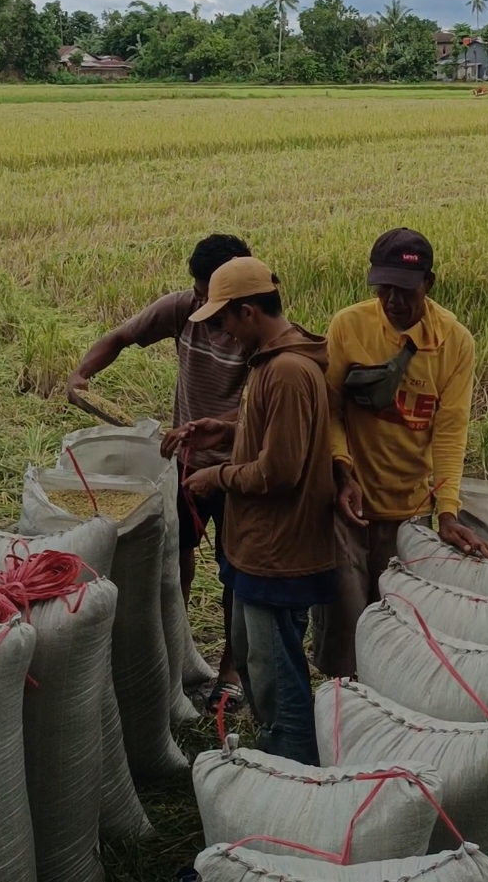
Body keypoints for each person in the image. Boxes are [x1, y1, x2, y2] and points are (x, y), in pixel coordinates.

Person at [68, 233, 251, 709]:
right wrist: (81, 376)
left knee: (237, 574)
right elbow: (121, 337)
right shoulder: (183, 308)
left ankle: (230, 671)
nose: (199, 302)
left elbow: (265, 411)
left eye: (210, 294)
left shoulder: (257, 332)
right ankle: (174, 652)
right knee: (174, 561)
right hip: (183, 465)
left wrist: (217, 428)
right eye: (196, 291)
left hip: (238, 472)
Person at [312, 228, 488, 678]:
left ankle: (389, 710)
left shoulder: (454, 342)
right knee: (346, 625)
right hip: (348, 507)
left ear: (429, 284)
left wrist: (447, 511)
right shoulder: (348, 326)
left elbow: (450, 431)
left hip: (408, 512)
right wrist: (342, 470)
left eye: (405, 290)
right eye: (384, 288)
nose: (393, 300)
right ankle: (344, 709)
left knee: (398, 628)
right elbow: (330, 411)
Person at [183, 257, 336, 765]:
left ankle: (296, 781)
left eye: (223, 319)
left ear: (248, 311)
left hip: (279, 555)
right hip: (258, 552)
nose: (222, 331)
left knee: (279, 686)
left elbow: (281, 471)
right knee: (258, 666)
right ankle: (276, 756)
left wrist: (216, 477)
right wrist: (226, 432)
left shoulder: (288, 371)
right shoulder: (273, 364)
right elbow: (274, 439)